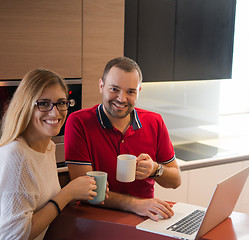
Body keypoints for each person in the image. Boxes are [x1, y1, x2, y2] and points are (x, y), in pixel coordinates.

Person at [65, 56, 181, 221]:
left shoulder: (154, 121)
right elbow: (86, 193)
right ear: (101, 86)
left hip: (145, 217)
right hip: (95, 220)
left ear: (138, 92)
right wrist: (135, 205)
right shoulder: (78, 122)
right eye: (114, 89)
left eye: (130, 92)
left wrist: (155, 169)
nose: (121, 98)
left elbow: (175, 181)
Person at [0, 69, 102, 240]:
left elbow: (41, 204)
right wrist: (67, 193)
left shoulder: (48, 148)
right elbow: (13, 235)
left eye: (61, 103)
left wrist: (79, 192)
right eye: (44, 104)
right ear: (26, 106)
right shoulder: (16, 155)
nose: (55, 113)